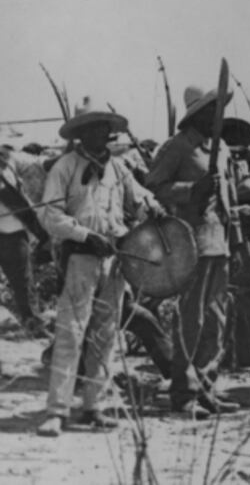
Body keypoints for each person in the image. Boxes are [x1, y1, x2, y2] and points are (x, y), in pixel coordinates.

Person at [36, 98, 164, 437]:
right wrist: (85, 234)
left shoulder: (119, 168)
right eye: (93, 127)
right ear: (80, 134)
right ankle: (57, 410)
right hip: (81, 257)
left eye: (105, 128)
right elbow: (49, 215)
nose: (101, 133)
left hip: (116, 257)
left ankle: (94, 405)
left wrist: (154, 207)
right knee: (71, 332)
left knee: (106, 334)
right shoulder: (66, 166)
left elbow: (139, 198)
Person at [146, 84, 241, 418]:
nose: (219, 118)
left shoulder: (223, 148)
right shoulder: (177, 147)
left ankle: (204, 387)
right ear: (198, 114)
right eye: (212, 111)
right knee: (191, 319)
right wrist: (191, 190)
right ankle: (183, 393)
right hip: (190, 241)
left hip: (219, 242)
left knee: (216, 318)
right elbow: (153, 187)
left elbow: (230, 197)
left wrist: (236, 236)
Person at [0, 145, 50, 336]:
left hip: (12, 233)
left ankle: (33, 324)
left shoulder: (9, 160)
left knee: (23, 282)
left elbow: (41, 163)